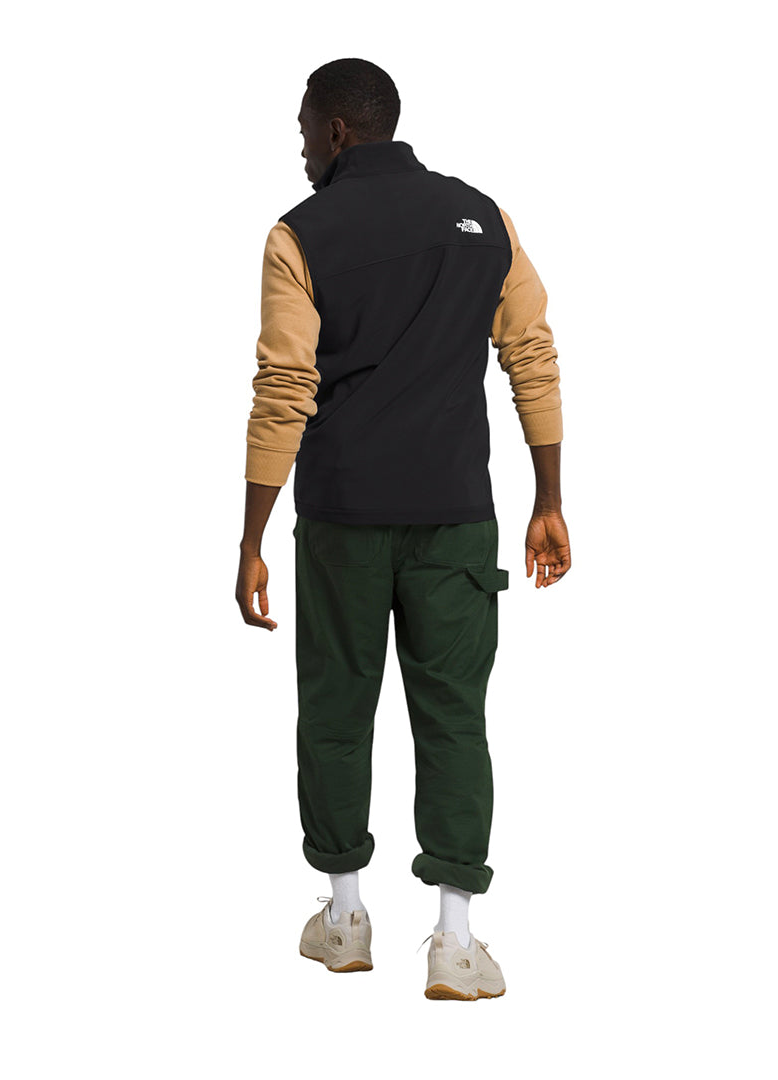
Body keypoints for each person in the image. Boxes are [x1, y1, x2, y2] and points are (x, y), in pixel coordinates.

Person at [236, 58, 571, 1001]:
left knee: (335, 711)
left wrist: (252, 535)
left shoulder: (298, 235)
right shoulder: (483, 218)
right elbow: (532, 353)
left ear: (339, 130)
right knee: (454, 716)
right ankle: (456, 942)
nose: (302, 146)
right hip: (456, 514)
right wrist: (548, 497)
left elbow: (284, 385)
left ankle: (344, 922)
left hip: (342, 517)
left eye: (306, 128)